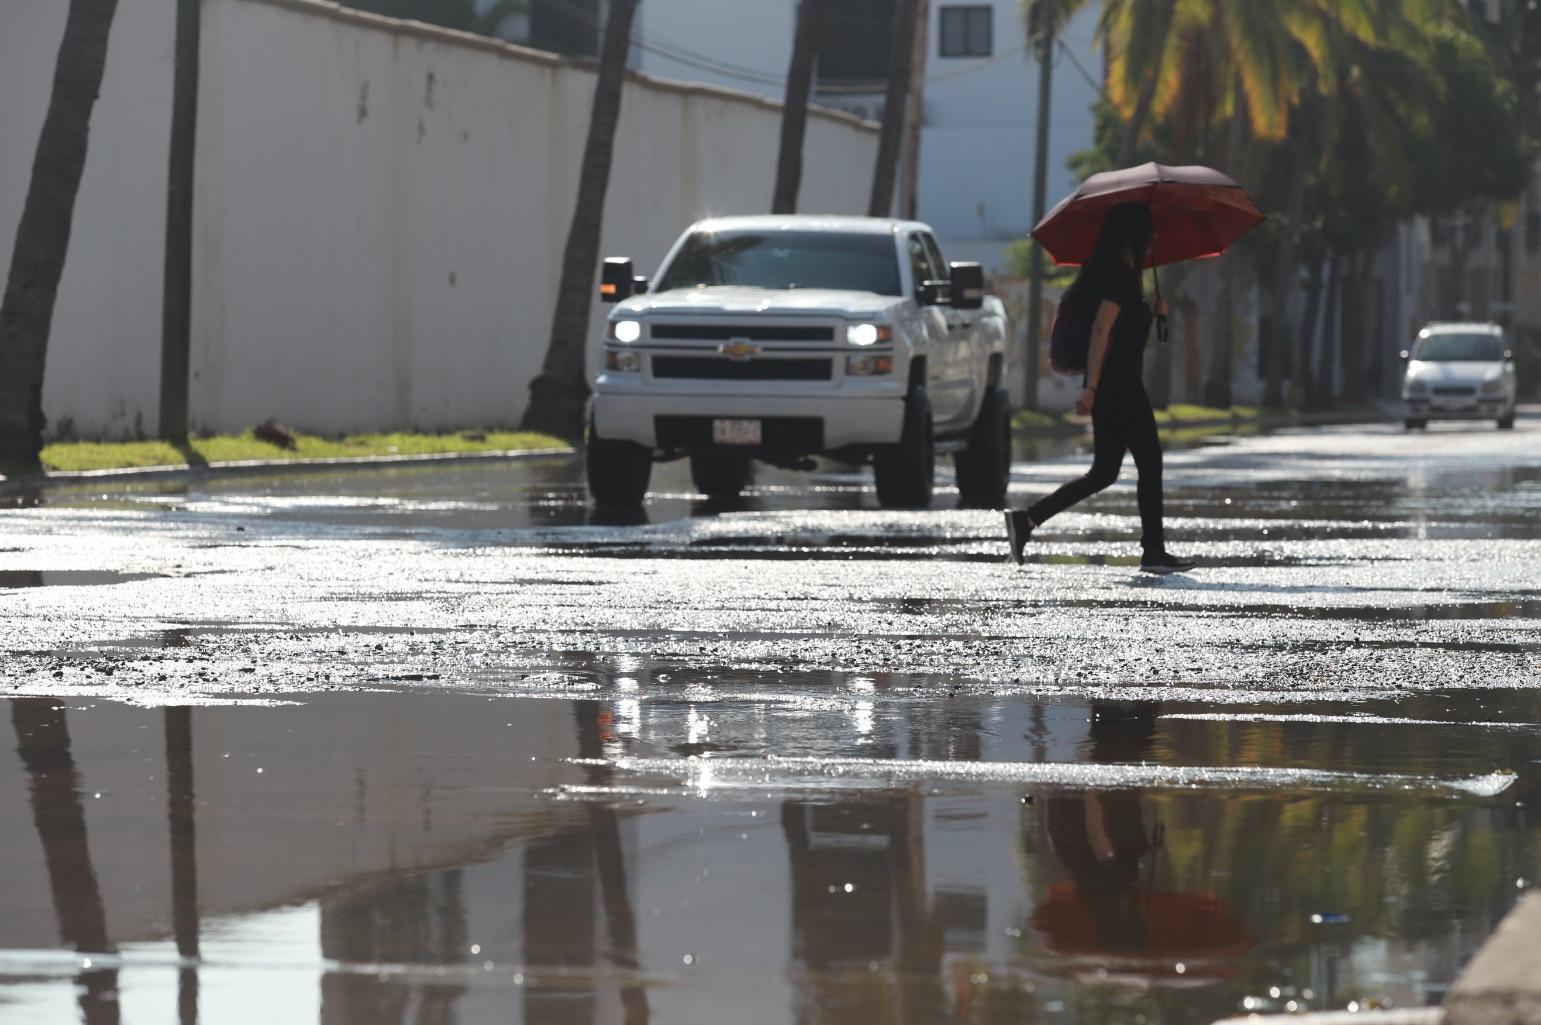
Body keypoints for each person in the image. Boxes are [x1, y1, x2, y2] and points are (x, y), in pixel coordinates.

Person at [1005, 202, 1194, 574]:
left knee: (1104, 472)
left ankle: (1026, 520)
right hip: (1119, 387)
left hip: (1117, 385)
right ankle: (1153, 550)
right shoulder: (1119, 279)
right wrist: (1090, 388)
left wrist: (1154, 314)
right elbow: (1100, 332)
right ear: (1133, 236)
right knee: (1150, 462)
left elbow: (1120, 333)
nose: (1154, 237)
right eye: (1149, 231)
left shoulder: (1122, 276)